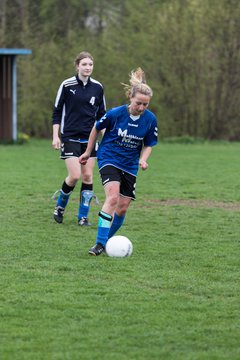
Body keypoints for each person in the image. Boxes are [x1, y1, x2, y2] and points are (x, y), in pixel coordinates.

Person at [79, 67, 158, 255]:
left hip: (130, 164)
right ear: (130, 98)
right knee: (112, 198)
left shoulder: (150, 119)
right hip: (109, 158)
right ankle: (99, 244)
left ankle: (105, 243)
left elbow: (149, 144)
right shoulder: (115, 114)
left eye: (145, 104)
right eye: (138, 103)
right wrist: (88, 152)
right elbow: (95, 128)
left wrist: (143, 160)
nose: (141, 107)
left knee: (122, 209)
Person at [52, 51, 106, 225]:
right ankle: (60, 207)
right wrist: (56, 136)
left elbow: (102, 116)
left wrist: (106, 137)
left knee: (88, 177)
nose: (88, 67)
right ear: (77, 66)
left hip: (90, 139)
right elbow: (57, 112)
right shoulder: (67, 85)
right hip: (70, 137)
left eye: (90, 64)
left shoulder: (98, 87)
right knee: (74, 176)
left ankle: (83, 217)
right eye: (84, 64)